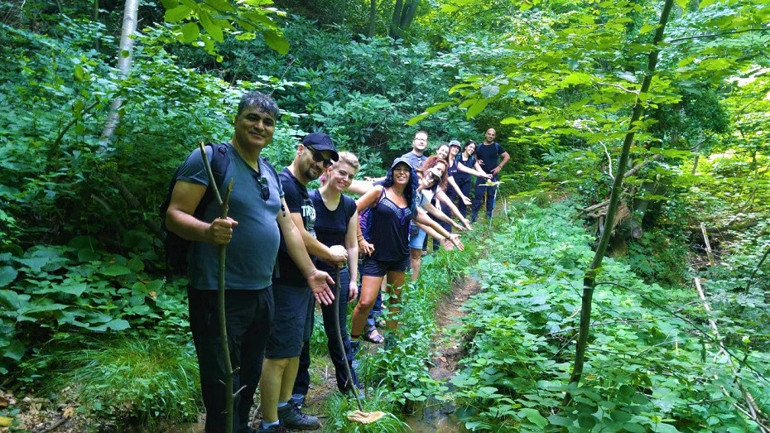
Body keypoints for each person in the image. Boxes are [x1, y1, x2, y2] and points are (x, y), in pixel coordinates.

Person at [165, 91, 334, 433]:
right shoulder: (211, 159)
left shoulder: (269, 172)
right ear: (237, 119)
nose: (260, 126)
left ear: (274, 130)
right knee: (221, 385)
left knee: (248, 378)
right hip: (219, 293)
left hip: (262, 292)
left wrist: (311, 272)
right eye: (252, 118)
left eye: (268, 122)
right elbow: (174, 214)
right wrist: (206, 231)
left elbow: (286, 226)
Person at [260, 133, 348, 432]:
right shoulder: (285, 185)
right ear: (300, 150)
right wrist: (329, 254)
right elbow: (295, 233)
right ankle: (270, 422)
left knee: (296, 348)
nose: (321, 165)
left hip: (302, 285)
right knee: (278, 354)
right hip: (284, 281)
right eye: (317, 156)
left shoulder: (303, 189)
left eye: (326, 162)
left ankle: (286, 408)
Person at [350, 158, 459, 343]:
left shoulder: (409, 199)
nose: (401, 172)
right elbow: (353, 210)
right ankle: (352, 343)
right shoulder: (379, 191)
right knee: (365, 302)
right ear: (391, 173)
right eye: (397, 169)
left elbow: (427, 220)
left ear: (410, 175)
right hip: (376, 256)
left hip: (399, 257)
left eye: (405, 170)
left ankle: (391, 344)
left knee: (395, 301)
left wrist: (448, 236)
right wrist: (360, 240)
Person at [291, 151, 362, 406]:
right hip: (308, 272)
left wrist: (354, 278)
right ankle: (298, 390)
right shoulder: (308, 199)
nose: (345, 178)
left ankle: (347, 382)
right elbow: (298, 236)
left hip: (337, 275)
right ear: (329, 170)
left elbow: (352, 244)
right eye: (342, 172)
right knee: (303, 332)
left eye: (350, 176)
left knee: (337, 331)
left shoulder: (349, 206)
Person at [471, 128, 510, 223]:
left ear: (494, 136)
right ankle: (473, 218)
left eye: (493, 135)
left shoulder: (497, 146)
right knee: (478, 196)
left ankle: (489, 217)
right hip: (481, 175)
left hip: (493, 175)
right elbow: (474, 159)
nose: (490, 136)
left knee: (491, 195)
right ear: (485, 134)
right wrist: (477, 162)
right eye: (489, 134)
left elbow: (507, 156)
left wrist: (499, 167)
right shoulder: (479, 147)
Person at [452, 140, 492, 218]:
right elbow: (459, 167)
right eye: (470, 147)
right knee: (450, 198)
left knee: (464, 201)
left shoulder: (472, 159)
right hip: (454, 181)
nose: (472, 149)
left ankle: (462, 220)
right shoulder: (457, 156)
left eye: (473, 148)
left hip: (466, 182)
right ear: (466, 147)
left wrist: (487, 176)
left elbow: (479, 170)